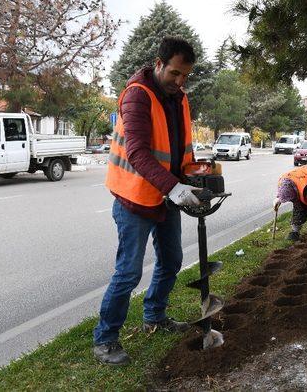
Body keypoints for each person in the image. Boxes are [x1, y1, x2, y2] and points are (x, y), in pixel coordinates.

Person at [93, 37, 203, 366]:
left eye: (186, 75)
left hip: (167, 194)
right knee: (128, 273)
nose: (180, 81)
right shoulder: (137, 97)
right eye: (174, 73)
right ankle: (105, 338)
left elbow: (180, 145)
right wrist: (175, 189)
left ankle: (154, 316)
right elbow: (138, 153)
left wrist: (193, 173)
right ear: (158, 64)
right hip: (134, 198)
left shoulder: (179, 98)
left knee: (171, 262)